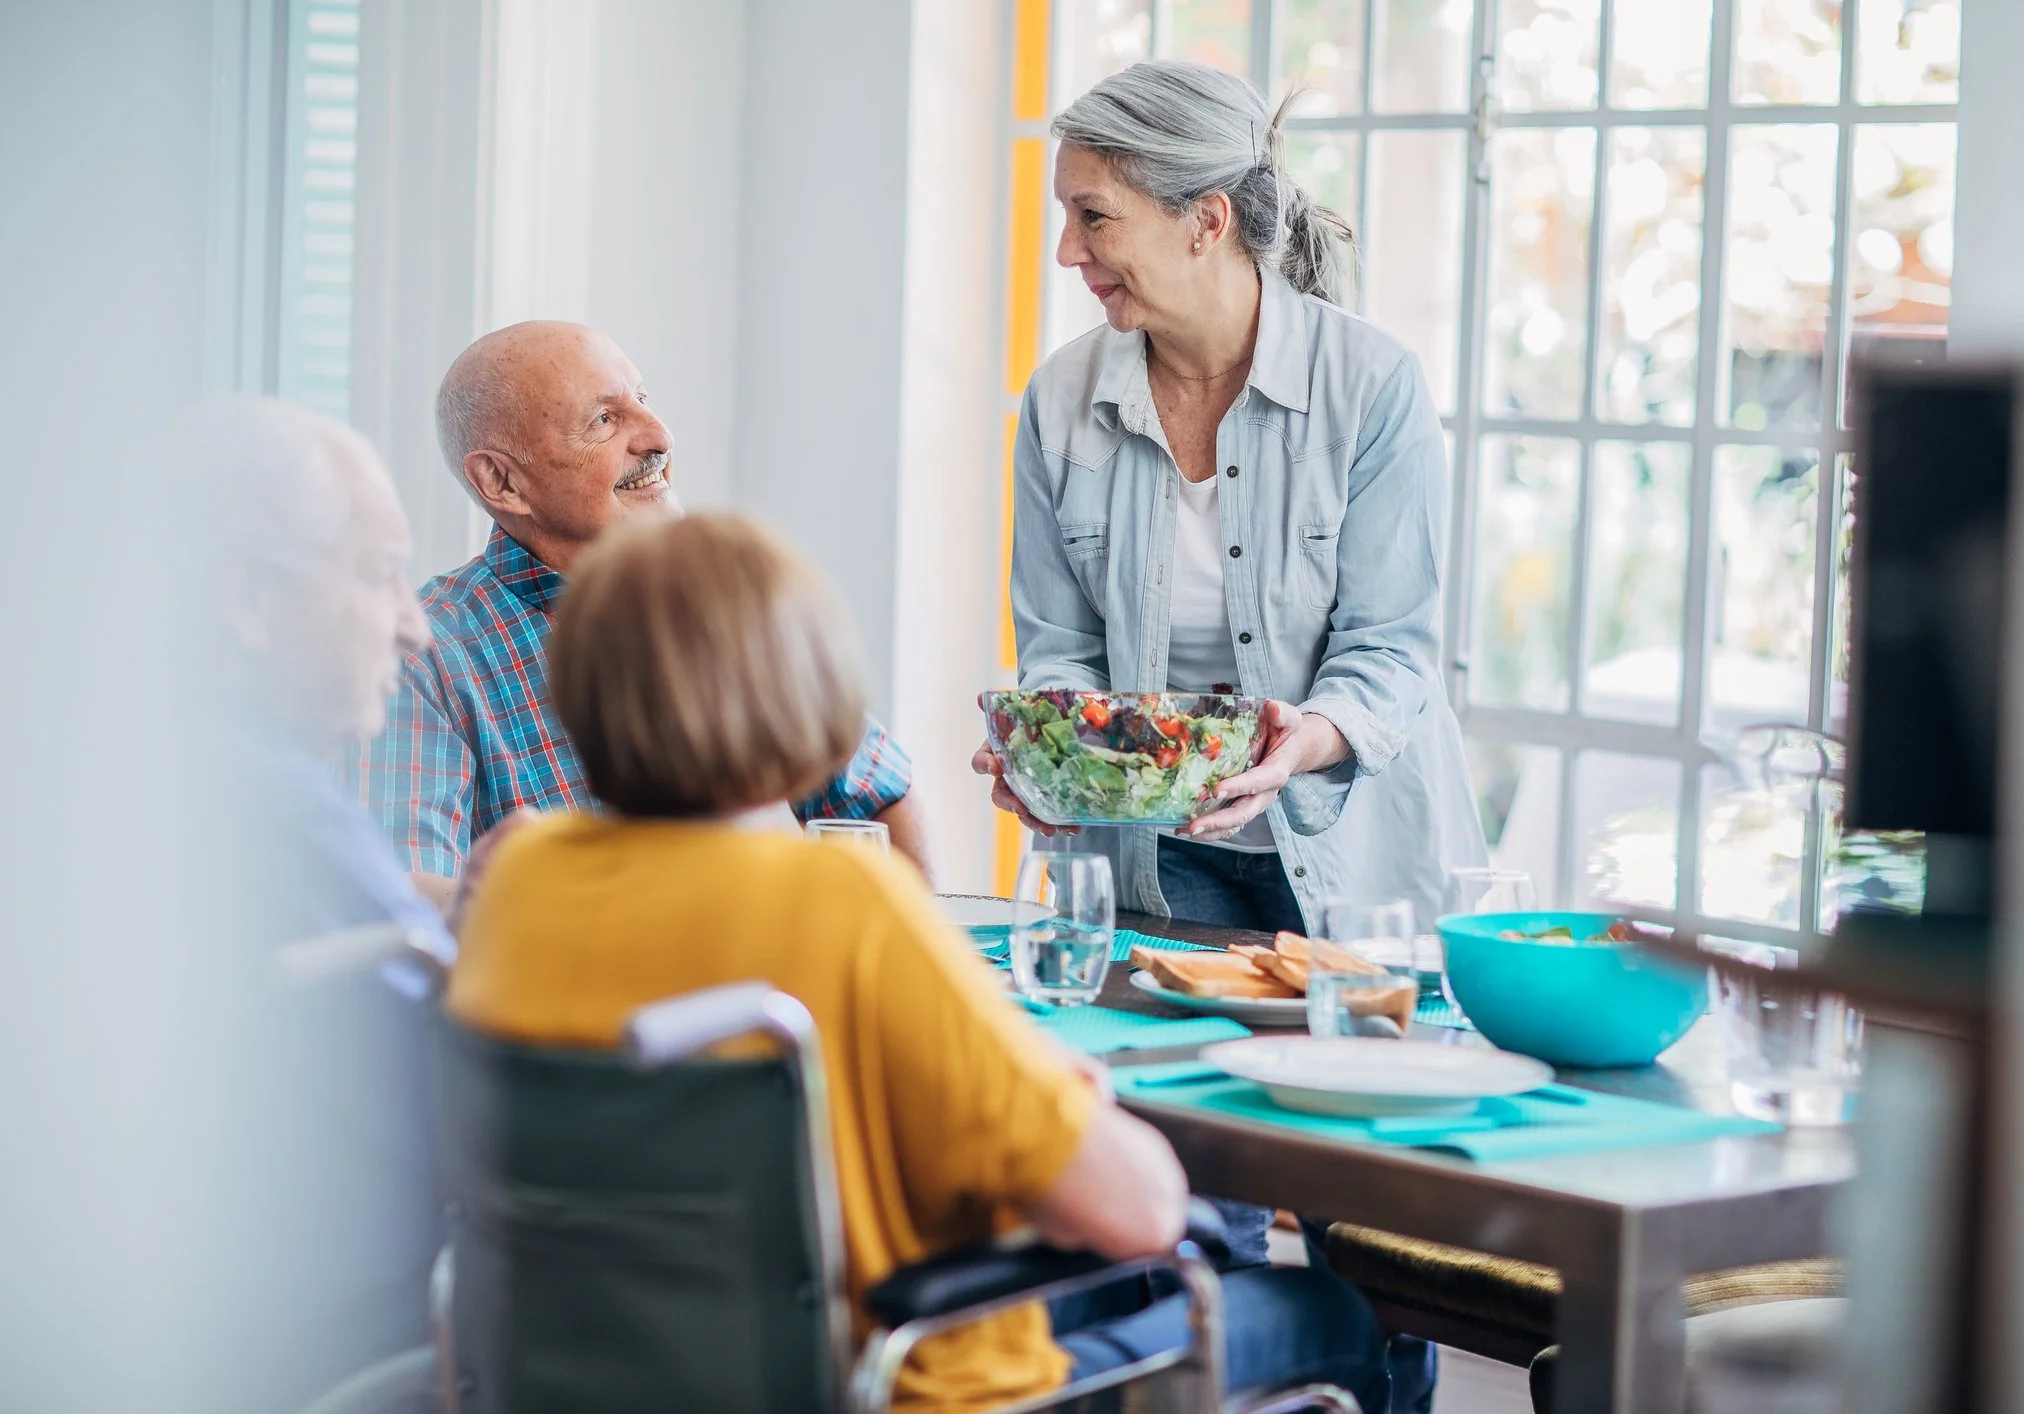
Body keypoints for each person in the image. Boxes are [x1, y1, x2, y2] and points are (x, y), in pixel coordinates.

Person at [449, 511, 1389, 1412]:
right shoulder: (837, 901)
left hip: (617, 1379)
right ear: (808, 694)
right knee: (1324, 1313)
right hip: (887, 1383)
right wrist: (1053, 1096)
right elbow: (1139, 1212)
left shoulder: (518, 883)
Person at [969, 60, 1489, 1407]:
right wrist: (1047, 752)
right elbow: (1062, 648)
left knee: (1364, 1234)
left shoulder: (1368, 386)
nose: (1072, 253)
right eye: (1069, 218)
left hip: (1352, 857)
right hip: (1162, 858)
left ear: (1206, 219)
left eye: (1097, 218)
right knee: (1180, 1201)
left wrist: (1298, 742)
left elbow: (1389, 650)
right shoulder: (1062, 398)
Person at [359, 321, 931, 912]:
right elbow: (402, 903)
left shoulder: (723, 599)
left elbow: (874, 795)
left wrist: (900, 957)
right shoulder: (419, 655)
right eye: (604, 420)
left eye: (643, 401)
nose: (658, 436)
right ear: (501, 481)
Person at [190, 396, 505, 1409]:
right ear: (248, 598)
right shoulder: (282, 813)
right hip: (383, 1332)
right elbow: (471, 1105)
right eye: (378, 577)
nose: (416, 629)